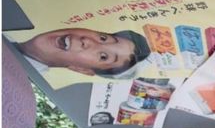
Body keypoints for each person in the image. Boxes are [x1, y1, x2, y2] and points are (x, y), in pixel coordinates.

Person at [16, 27, 151, 78]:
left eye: (103, 56)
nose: (87, 41)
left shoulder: (17, 80)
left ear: (83, 70)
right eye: (103, 38)